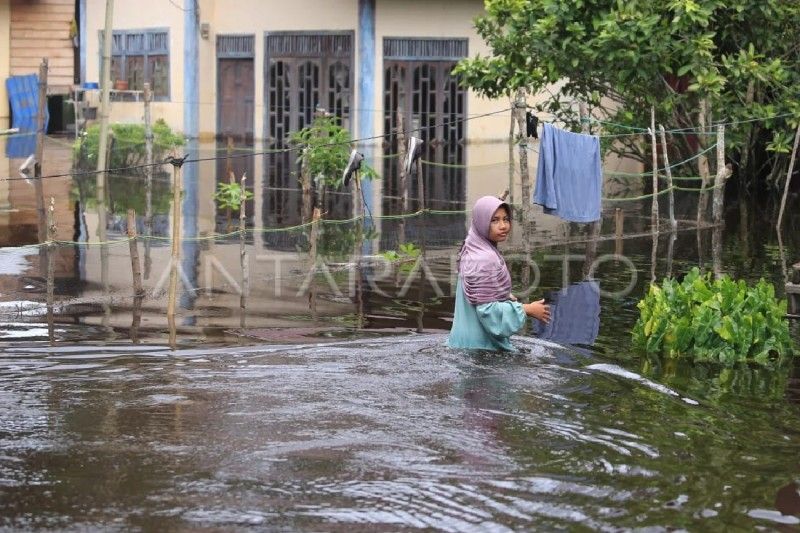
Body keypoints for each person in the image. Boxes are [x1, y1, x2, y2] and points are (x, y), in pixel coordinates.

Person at [447, 195, 550, 351]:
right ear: (482, 222)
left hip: (460, 343)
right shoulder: (486, 258)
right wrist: (527, 309)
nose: (503, 226)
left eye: (506, 219)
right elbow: (487, 311)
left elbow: (478, 291)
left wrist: (504, 295)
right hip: (481, 349)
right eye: (494, 220)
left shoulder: (471, 248)